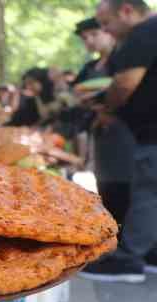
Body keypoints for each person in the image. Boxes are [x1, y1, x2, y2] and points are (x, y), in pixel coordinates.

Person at [82, 0, 157, 283]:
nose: (107, 32)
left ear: (126, 11)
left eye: (106, 24)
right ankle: (150, 251)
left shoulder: (146, 30)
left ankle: (128, 259)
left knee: (147, 193)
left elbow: (125, 83)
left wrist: (108, 108)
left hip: (152, 133)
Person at [73, 17, 136, 283]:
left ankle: (122, 253)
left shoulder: (125, 61)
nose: (90, 41)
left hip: (126, 132)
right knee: (106, 188)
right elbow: (77, 92)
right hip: (101, 134)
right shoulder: (89, 67)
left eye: (94, 34)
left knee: (124, 189)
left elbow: (129, 92)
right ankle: (108, 247)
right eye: (85, 37)